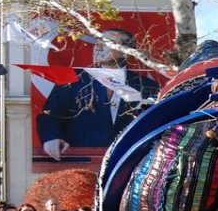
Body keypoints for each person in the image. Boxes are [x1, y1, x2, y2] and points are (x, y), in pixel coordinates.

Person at [38, 28, 161, 160]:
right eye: (98, 42)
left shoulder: (148, 86)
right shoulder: (73, 80)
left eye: (108, 43)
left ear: (126, 52)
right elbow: (50, 115)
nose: (99, 47)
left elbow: (155, 123)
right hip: (81, 161)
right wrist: (52, 137)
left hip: (128, 162)